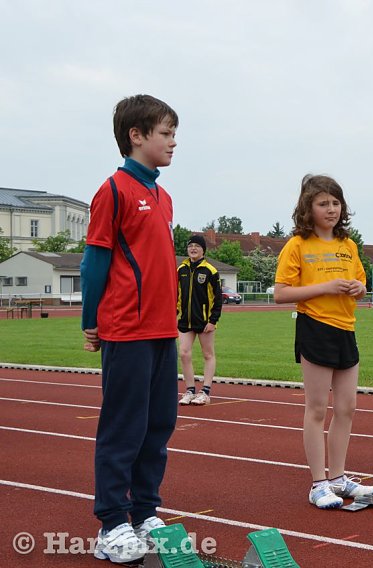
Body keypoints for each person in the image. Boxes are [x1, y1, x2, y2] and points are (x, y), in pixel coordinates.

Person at [80, 95, 179, 563]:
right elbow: (95, 260)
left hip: (162, 330)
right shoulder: (114, 190)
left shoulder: (163, 196)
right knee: (124, 427)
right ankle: (112, 523)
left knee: (159, 424)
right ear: (136, 135)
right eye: (165, 133)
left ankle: (144, 509)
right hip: (126, 329)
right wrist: (91, 321)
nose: (173, 142)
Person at [273, 174, 373, 509]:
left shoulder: (348, 245)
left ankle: (338, 478)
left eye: (335, 202)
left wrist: (358, 289)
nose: (331, 209)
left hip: (346, 328)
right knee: (317, 408)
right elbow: (280, 293)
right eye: (323, 203)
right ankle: (318, 483)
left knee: (347, 407)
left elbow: (360, 284)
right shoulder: (297, 245)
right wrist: (326, 287)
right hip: (315, 327)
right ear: (309, 207)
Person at [177, 234, 223, 405]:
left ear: (203, 249)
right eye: (190, 246)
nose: (193, 248)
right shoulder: (181, 270)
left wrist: (213, 320)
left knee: (208, 354)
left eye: (197, 246)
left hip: (204, 321)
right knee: (183, 353)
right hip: (185, 321)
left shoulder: (210, 271)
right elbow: (177, 295)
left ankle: (205, 391)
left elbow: (217, 299)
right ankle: (189, 390)